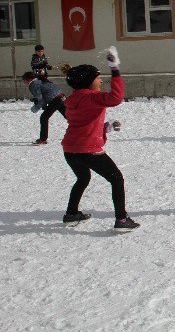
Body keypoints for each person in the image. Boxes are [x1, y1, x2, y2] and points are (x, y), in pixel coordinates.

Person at [61, 47, 139, 229]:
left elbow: (82, 122)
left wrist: (105, 127)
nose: (101, 80)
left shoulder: (73, 100)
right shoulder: (92, 97)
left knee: (82, 179)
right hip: (88, 150)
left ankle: (71, 213)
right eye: (97, 78)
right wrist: (115, 69)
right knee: (116, 179)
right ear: (89, 82)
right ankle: (121, 219)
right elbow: (116, 98)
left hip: (70, 150)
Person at [22, 71, 67, 145]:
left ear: (28, 79)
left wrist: (35, 108)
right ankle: (83, 132)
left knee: (44, 118)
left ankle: (43, 139)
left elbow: (40, 99)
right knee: (70, 117)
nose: (24, 83)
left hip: (55, 100)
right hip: (61, 97)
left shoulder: (33, 84)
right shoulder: (41, 80)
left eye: (24, 80)